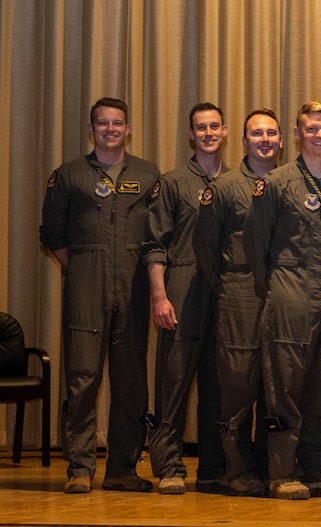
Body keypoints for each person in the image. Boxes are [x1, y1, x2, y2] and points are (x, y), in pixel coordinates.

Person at [41, 97, 161, 494]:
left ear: (128, 129)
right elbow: (52, 235)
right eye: (103, 123)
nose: (111, 129)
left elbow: (158, 233)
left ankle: (122, 470)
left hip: (134, 288)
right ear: (91, 129)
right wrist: (82, 268)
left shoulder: (147, 174)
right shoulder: (70, 174)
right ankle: (79, 467)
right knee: (82, 378)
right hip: (86, 288)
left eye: (118, 123)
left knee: (131, 382)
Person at [248, 101, 321, 500]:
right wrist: (280, 289)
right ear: (297, 134)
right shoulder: (276, 183)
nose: (319, 135)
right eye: (311, 128)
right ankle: (282, 472)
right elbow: (255, 245)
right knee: (286, 387)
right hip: (289, 296)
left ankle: (319, 471)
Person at [191, 108, 283, 496]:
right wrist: (231, 286)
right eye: (256, 133)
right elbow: (206, 249)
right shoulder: (224, 187)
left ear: (282, 140)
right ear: (243, 141)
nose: (265, 140)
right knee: (239, 384)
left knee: (276, 384)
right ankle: (238, 469)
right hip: (240, 293)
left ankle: (270, 467)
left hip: (282, 293)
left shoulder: (290, 183)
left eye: (271, 133)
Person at [142, 102, 230, 495]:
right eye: (201, 128)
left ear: (224, 131)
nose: (208, 133)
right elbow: (154, 245)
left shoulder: (236, 182)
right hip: (182, 287)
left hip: (225, 294)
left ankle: (212, 469)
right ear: (191, 135)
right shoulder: (173, 182)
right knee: (174, 383)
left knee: (219, 385)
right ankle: (169, 466)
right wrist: (160, 296)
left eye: (215, 126)